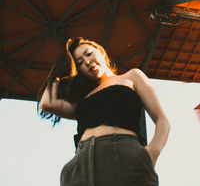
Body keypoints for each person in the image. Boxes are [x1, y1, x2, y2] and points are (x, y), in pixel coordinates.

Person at [38, 37, 170, 186]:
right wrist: (59, 72)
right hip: (80, 164)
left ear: (101, 51)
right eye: (79, 62)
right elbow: (47, 103)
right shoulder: (83, 99)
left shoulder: (131, 76)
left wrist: (152, 153)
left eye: (88, 54)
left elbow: (162, 121)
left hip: (125, 155)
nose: (87, 62)